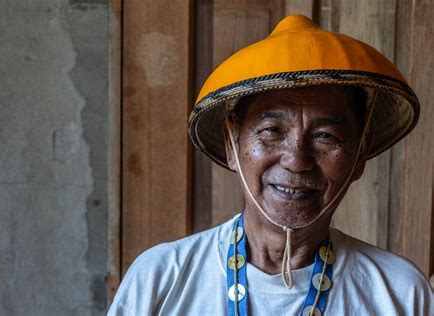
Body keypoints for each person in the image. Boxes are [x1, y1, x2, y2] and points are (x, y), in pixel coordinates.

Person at [108, 15, 433, 315]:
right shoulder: (160, 280)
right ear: (232, 145)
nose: (296, 160)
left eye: (325, 136)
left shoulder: (401, 293)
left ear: (360, 154)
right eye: (272, 131)